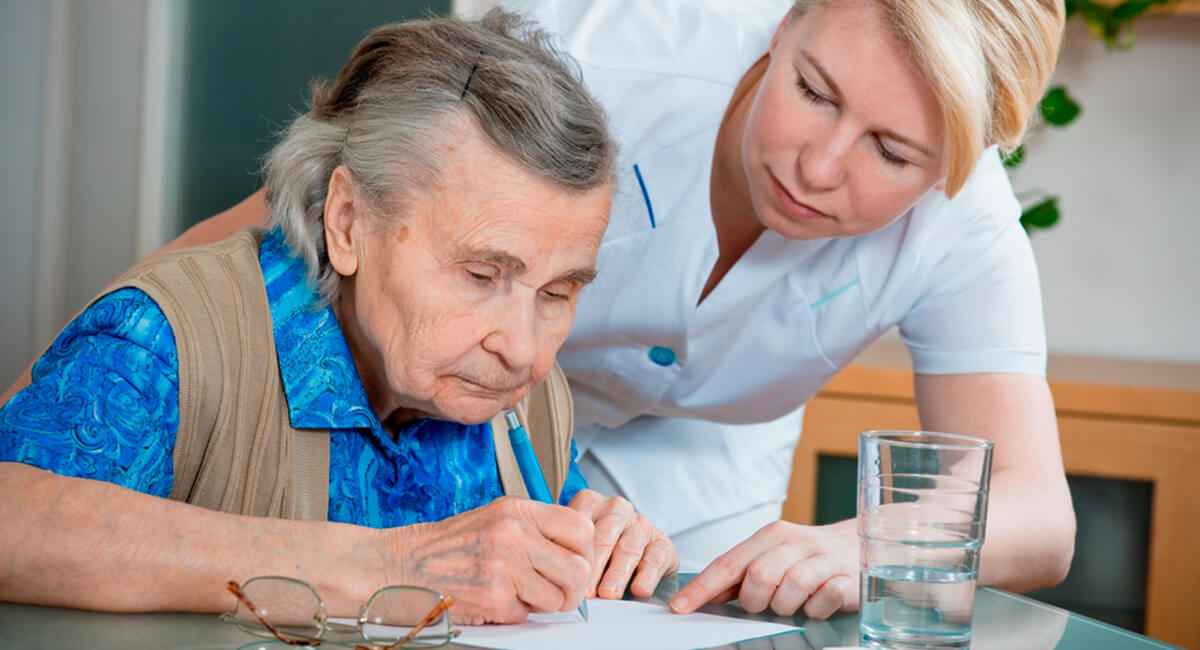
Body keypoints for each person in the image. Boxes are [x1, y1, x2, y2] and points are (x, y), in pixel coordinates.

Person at [3, 0, 1077, 620]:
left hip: (571, 444)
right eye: (813, 91)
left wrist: (863, 543)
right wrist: (101, 354)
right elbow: (301, 223)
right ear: (781, 21)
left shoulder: (964, 222)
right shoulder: (594, 50)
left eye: (892, 152)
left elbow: (1036, 509)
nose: (819, 163)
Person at [0, 10, 678, 625]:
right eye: (480, 275)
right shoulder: (167, 341)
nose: (524, 349)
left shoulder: (522, 398)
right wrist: (385, 569)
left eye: (558, 292)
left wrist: (602, 547)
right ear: (349, 222)